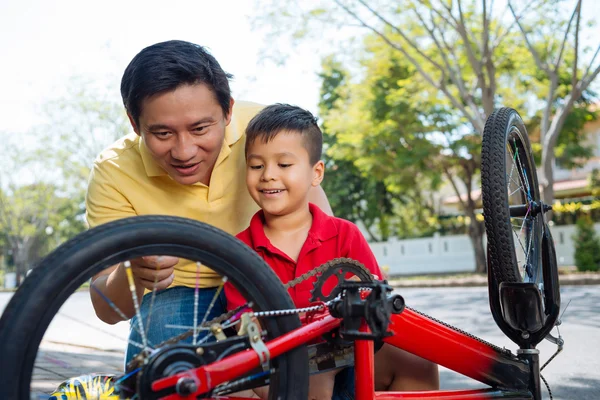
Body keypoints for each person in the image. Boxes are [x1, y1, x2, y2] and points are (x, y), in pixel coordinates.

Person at [85, 40, 332, 366]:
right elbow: (106, 310)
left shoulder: (268, 130)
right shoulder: (113, 172)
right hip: (182, 296)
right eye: (162, 134)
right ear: (134, 123)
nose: (184, 151)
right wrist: (133, 271)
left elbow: (327, 236)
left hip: (278, 282)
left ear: (228, 111)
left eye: (200, 128)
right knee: (161, 334)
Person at [225, 104, 439, 400]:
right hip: (274, 368)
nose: (268, 176)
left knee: (418, 362)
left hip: (347, 360)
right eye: (256, 165)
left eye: (284, 165)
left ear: (316, 173)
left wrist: (331, 359)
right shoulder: (239, 249)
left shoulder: (344, 235)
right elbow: (243, 330)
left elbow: (376, 306)